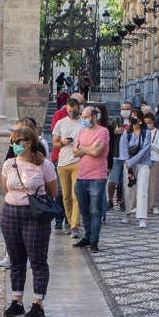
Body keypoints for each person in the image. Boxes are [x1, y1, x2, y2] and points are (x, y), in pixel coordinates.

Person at [0, 125, 60, 317]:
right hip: (11, 213)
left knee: (37, 260)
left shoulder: (44, 165)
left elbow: (53, 191)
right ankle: (16, 300)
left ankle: (37, 303)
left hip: (34, 215)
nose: (16, 145)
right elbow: (6, 188)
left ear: (29, 142)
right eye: (13, 141)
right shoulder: (9, 164)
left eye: (20, 141)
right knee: (16, 260)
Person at [72, 104, 111, 254]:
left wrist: (83, 148)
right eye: (82, 117)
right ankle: (87, 236)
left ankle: (94, 241)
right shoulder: (81, 132)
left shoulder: (103, 132)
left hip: (97, 177)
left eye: (86, 117)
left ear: (94, 117)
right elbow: (75, 152)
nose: (84, 119)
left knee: (95, 211)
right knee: (84, 209)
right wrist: (87, 148)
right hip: (82, 176)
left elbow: (97, 151)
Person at [52, 98, 85, 236]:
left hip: (77, 161)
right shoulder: (61, 123)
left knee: (75, 194)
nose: (72, 113)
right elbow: (54, 143)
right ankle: (70, 220)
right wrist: (63, 142)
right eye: (69, 111)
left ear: (79, 108)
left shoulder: (83, 123)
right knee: (65, 195)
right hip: (63, 163)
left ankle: (74, 225)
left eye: (74, 111)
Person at [123, 115, 153, 227]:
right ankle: (127, 213)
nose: (133, 118)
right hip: (129, 164)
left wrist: (131, 161)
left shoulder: (146, 133)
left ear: (140, 120)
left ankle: (142, 217)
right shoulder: (126, 133)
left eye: (135, 116)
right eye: (132, 116)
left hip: (143, 163)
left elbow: (145, 150)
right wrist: (129, 164)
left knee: (142, 190)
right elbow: (125, 149)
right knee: (128, 189)